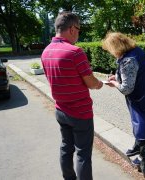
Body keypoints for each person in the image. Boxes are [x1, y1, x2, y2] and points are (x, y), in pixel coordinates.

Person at [41, 11, 103, 180]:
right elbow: (90, 82)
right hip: (80, 112)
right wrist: (100, 83)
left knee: (66, 147)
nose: (78, 34)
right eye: (79, 30)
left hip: (60, 110)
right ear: (72, 29)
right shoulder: (75, 52)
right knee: (83, 154)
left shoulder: (46, 52)